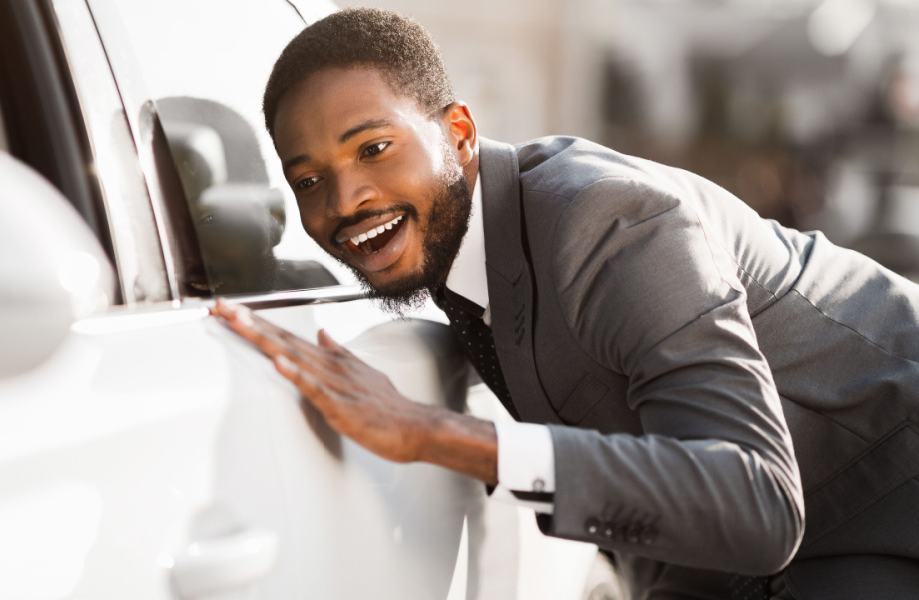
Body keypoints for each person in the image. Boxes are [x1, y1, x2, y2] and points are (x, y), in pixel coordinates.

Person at [210, 8, 919, 600]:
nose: (344, 201)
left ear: (458, 135)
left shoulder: (606, 222)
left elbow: (755, 502)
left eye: (374, 147)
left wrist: (433, 434)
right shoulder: (467, 250)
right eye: (306, 181)